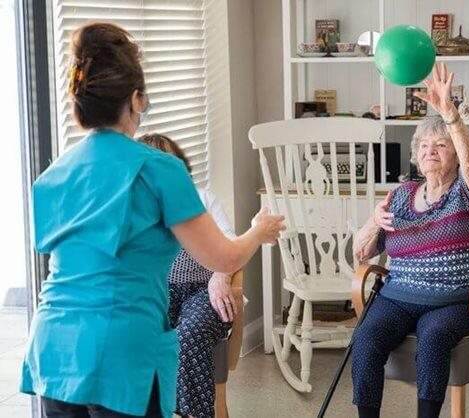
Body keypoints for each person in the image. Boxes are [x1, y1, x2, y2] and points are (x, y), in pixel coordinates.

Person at [20, 22, 284, 418]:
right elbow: (225, 260)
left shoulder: (52, 176)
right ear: (137, 99)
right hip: (121, 350)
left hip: (54, 349)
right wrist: (258, 231)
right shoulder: (159, 169)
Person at [351, 63, 469, 418]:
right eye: (424, 145)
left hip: (452, 301)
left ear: (455, 154)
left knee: (434, 336)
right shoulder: (400, 195)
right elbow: (361, 254)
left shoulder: (465, 192)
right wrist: (370, 223)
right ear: (415, 154)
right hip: (397, 297)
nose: (430, 151)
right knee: (365, 338)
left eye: (441, 145)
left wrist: (450, 115)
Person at [139, 133, 236, 418]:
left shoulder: (201, 198)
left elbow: (229, 240)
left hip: (203, 289)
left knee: (189, 334)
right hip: (157, 290)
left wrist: (220, 275)